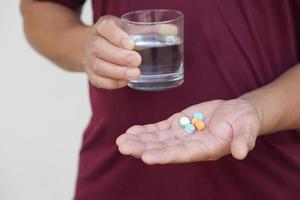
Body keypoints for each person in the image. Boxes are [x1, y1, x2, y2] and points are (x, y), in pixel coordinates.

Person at [20, 0, 300, 199]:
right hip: (118, 176)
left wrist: (257, 110)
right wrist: (84, 46)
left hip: (270, 181)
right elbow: (39, 8)